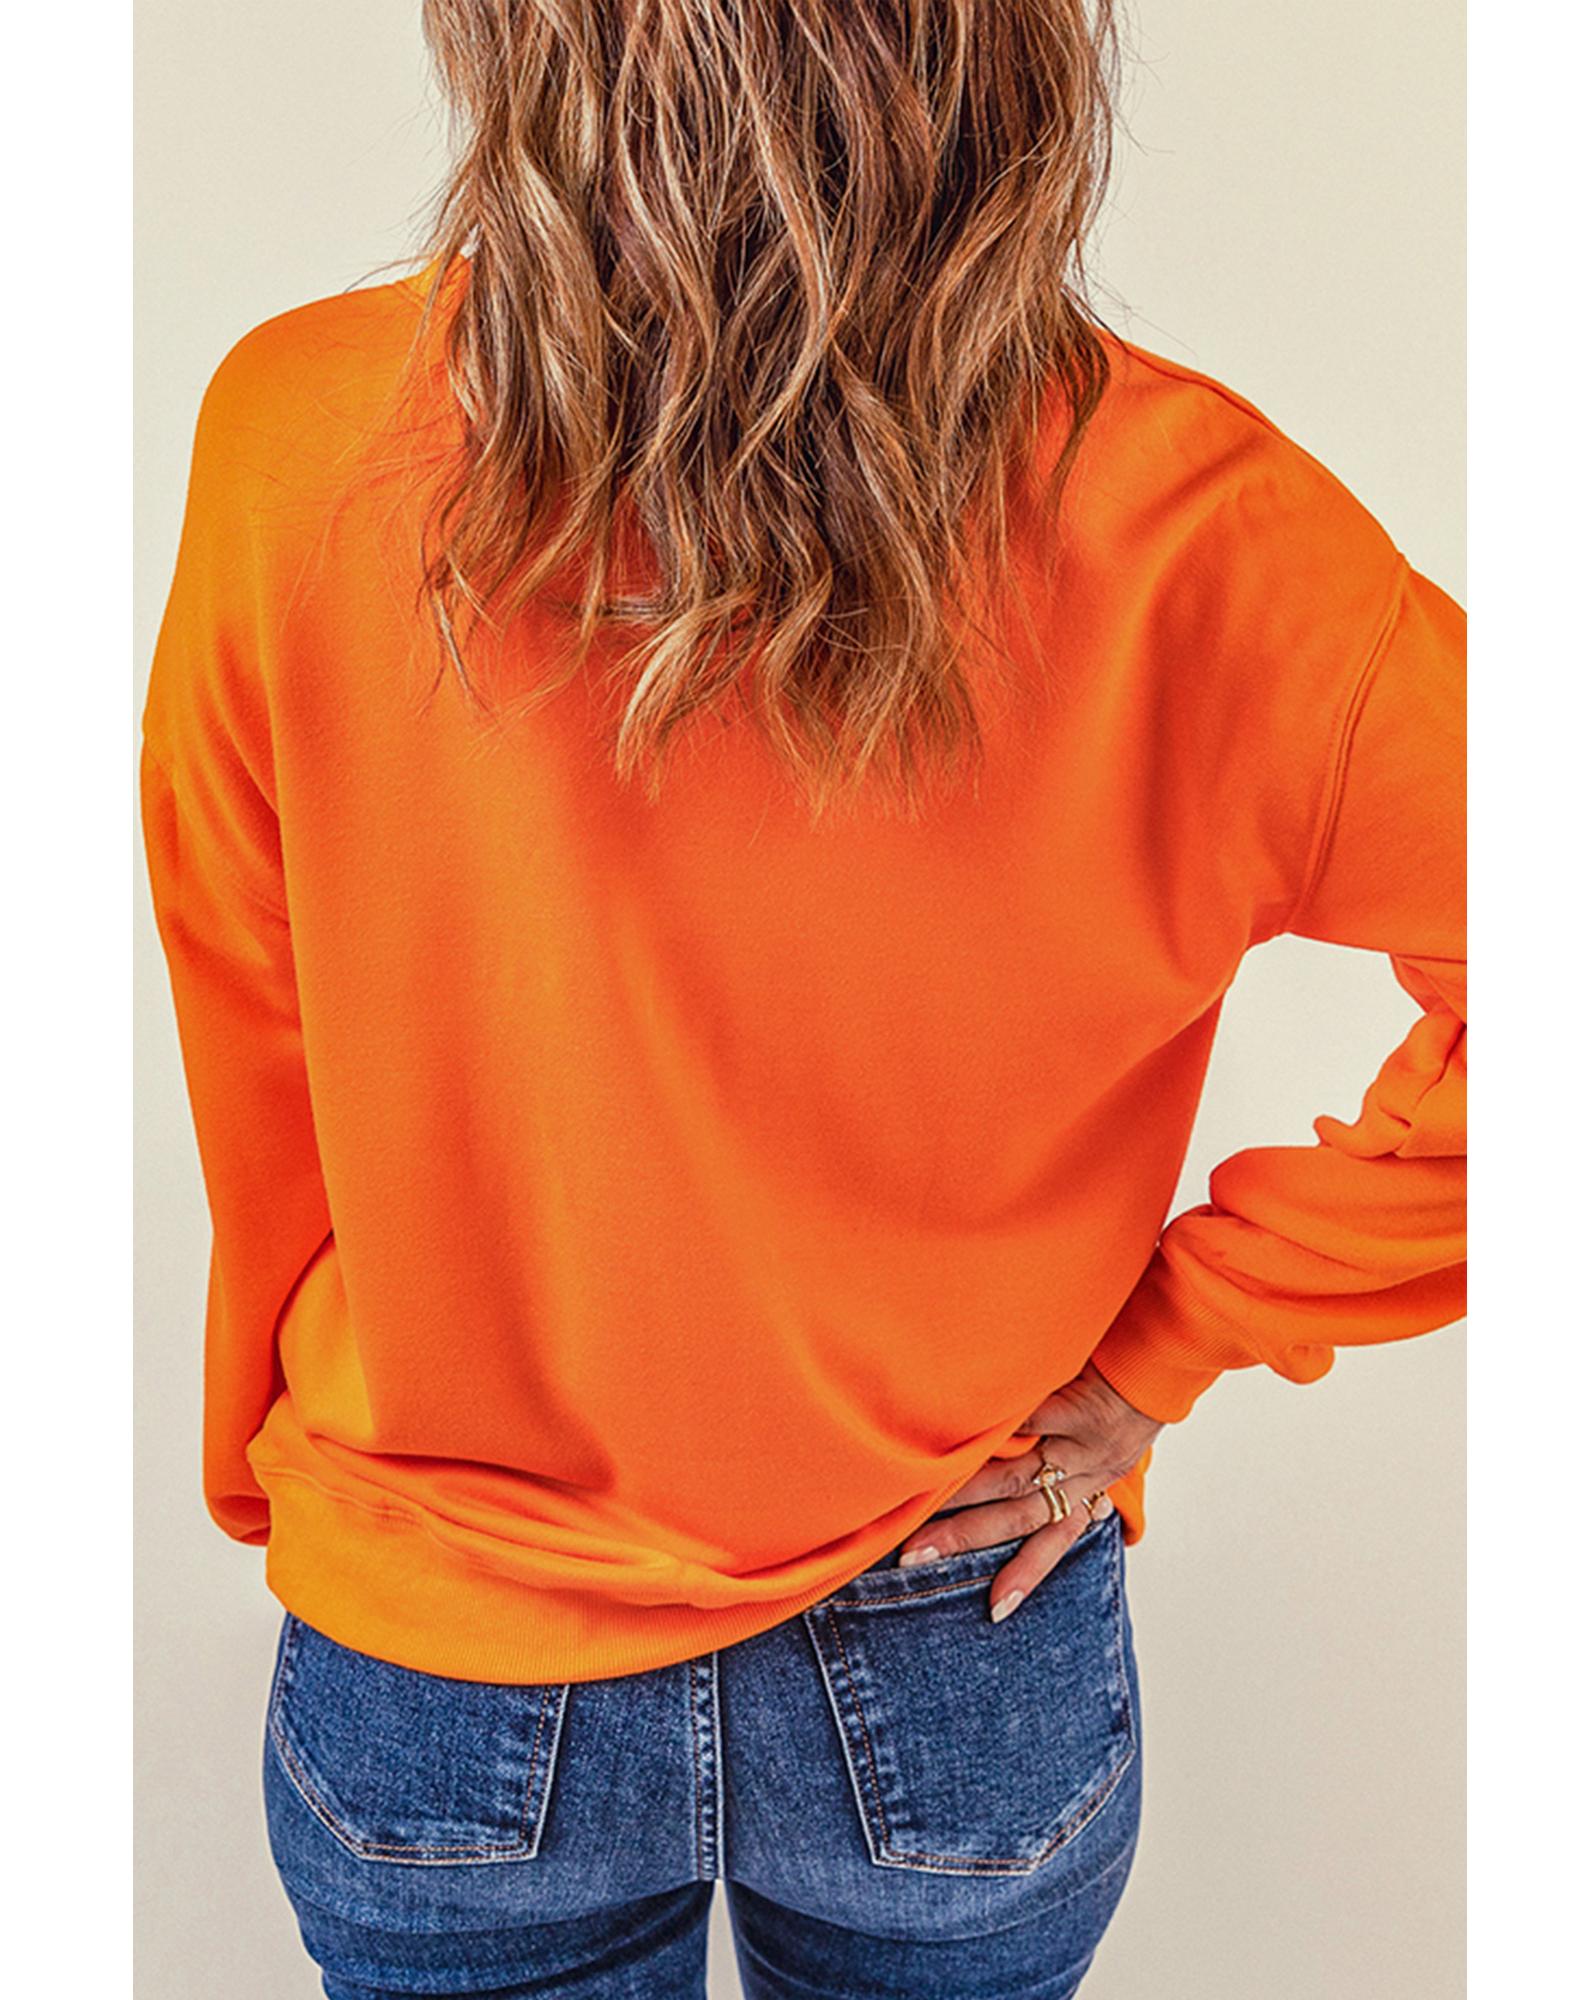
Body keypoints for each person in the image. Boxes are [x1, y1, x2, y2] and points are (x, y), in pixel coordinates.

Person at [139, 3, 1465, 1995]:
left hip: (448, 1610)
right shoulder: (1207, 533)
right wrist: (1164, 1353)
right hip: (955, 1622)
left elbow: (254, 1037)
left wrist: (299, 1470)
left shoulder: (299, 441)